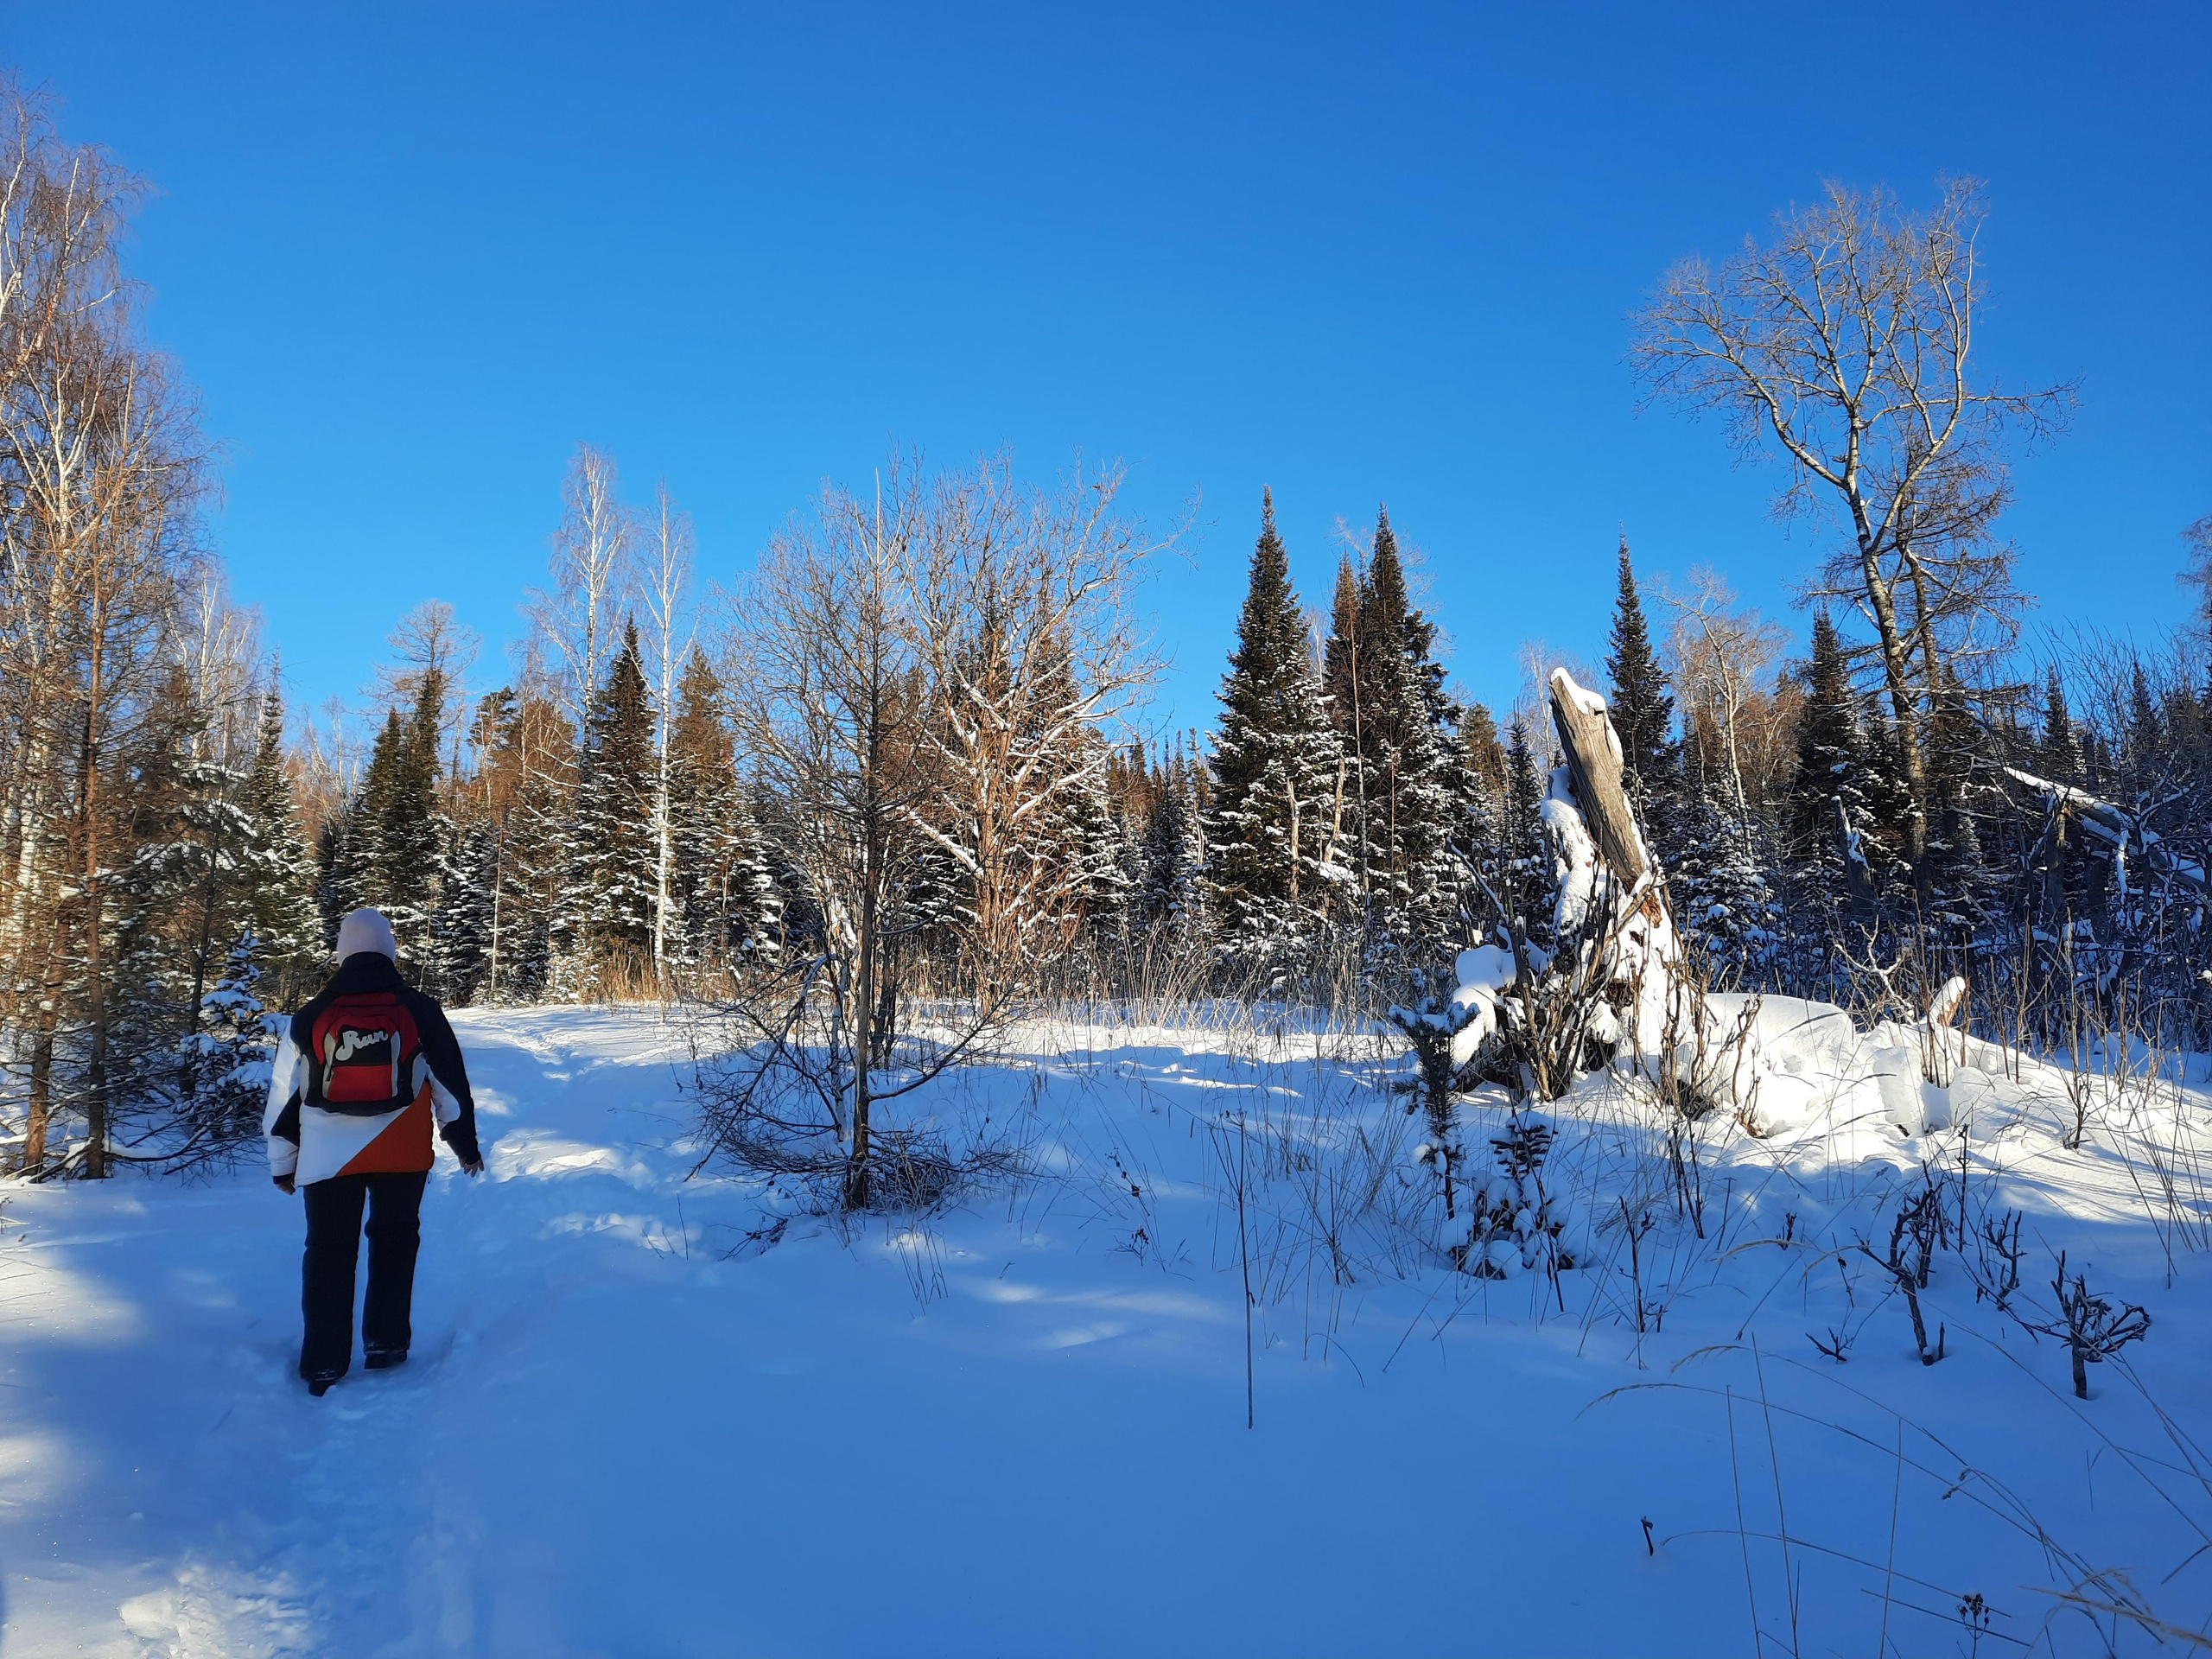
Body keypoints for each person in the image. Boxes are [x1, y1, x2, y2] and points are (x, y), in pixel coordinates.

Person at [264, 907, 485, 1395]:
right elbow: (450, 1086)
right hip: (401, 1152)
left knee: (328, 1251)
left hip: (327, 1158)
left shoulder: (312, 1014)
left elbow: (284, 1096)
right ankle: (386, 1344)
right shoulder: (420, 1009)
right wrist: (464, 1146)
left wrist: (283, 1162)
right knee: (395, 1239)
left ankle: (323, 1362)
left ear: (342, 953)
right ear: (389, 949)